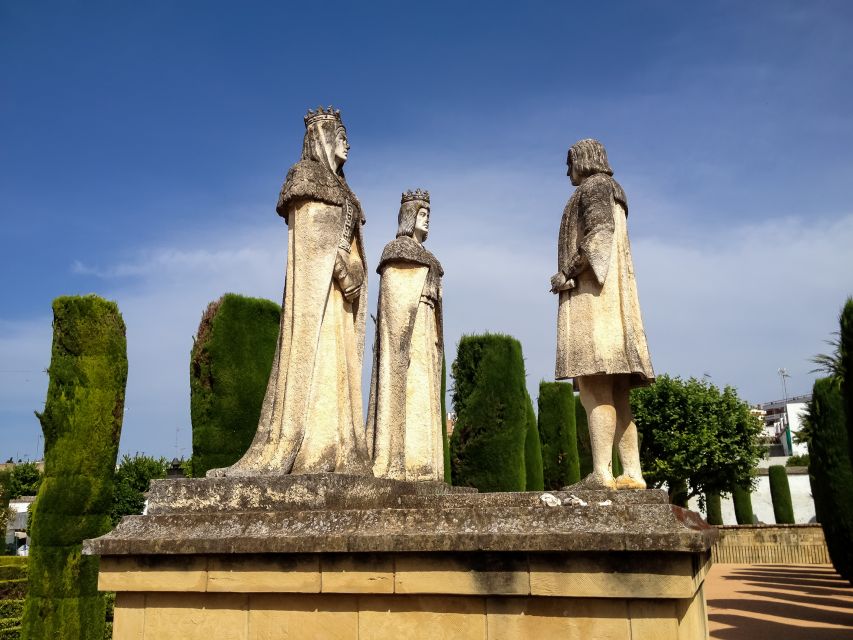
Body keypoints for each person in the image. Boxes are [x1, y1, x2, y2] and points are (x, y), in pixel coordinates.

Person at [211, 106, 371, 476]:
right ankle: (314, 449)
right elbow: (311, 244)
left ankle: (339, 447)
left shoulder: (347, 192)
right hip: (317, 297)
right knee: (315, 366)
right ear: (321, 137)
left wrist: (352, 274)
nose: (346, 141)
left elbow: (353, 251)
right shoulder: (306, 178)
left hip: (339, 298)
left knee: (339, 368)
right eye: (338, 133)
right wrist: (333, 263)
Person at [550, 138, 654, 490]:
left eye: (570, 163)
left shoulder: (594, 187)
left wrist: (567, 272)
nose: (568, 171)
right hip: (617, 308)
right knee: (618, 394)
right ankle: (632, 473)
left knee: (594, 386)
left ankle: (602, 474)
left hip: (595, 305)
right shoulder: (615, 191)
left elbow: (599, 238)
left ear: (583, 160)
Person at [367, 189, 444, 481]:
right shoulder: (396, 251)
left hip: (426, 329)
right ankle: (406, 464)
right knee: (409, 391)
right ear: (409, 217)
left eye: (429, 215)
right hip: (410, 332)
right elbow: (394, 301)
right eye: (422, 215)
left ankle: (425, 467)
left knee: (424, 395)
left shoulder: (432, 259)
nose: (427, 221)